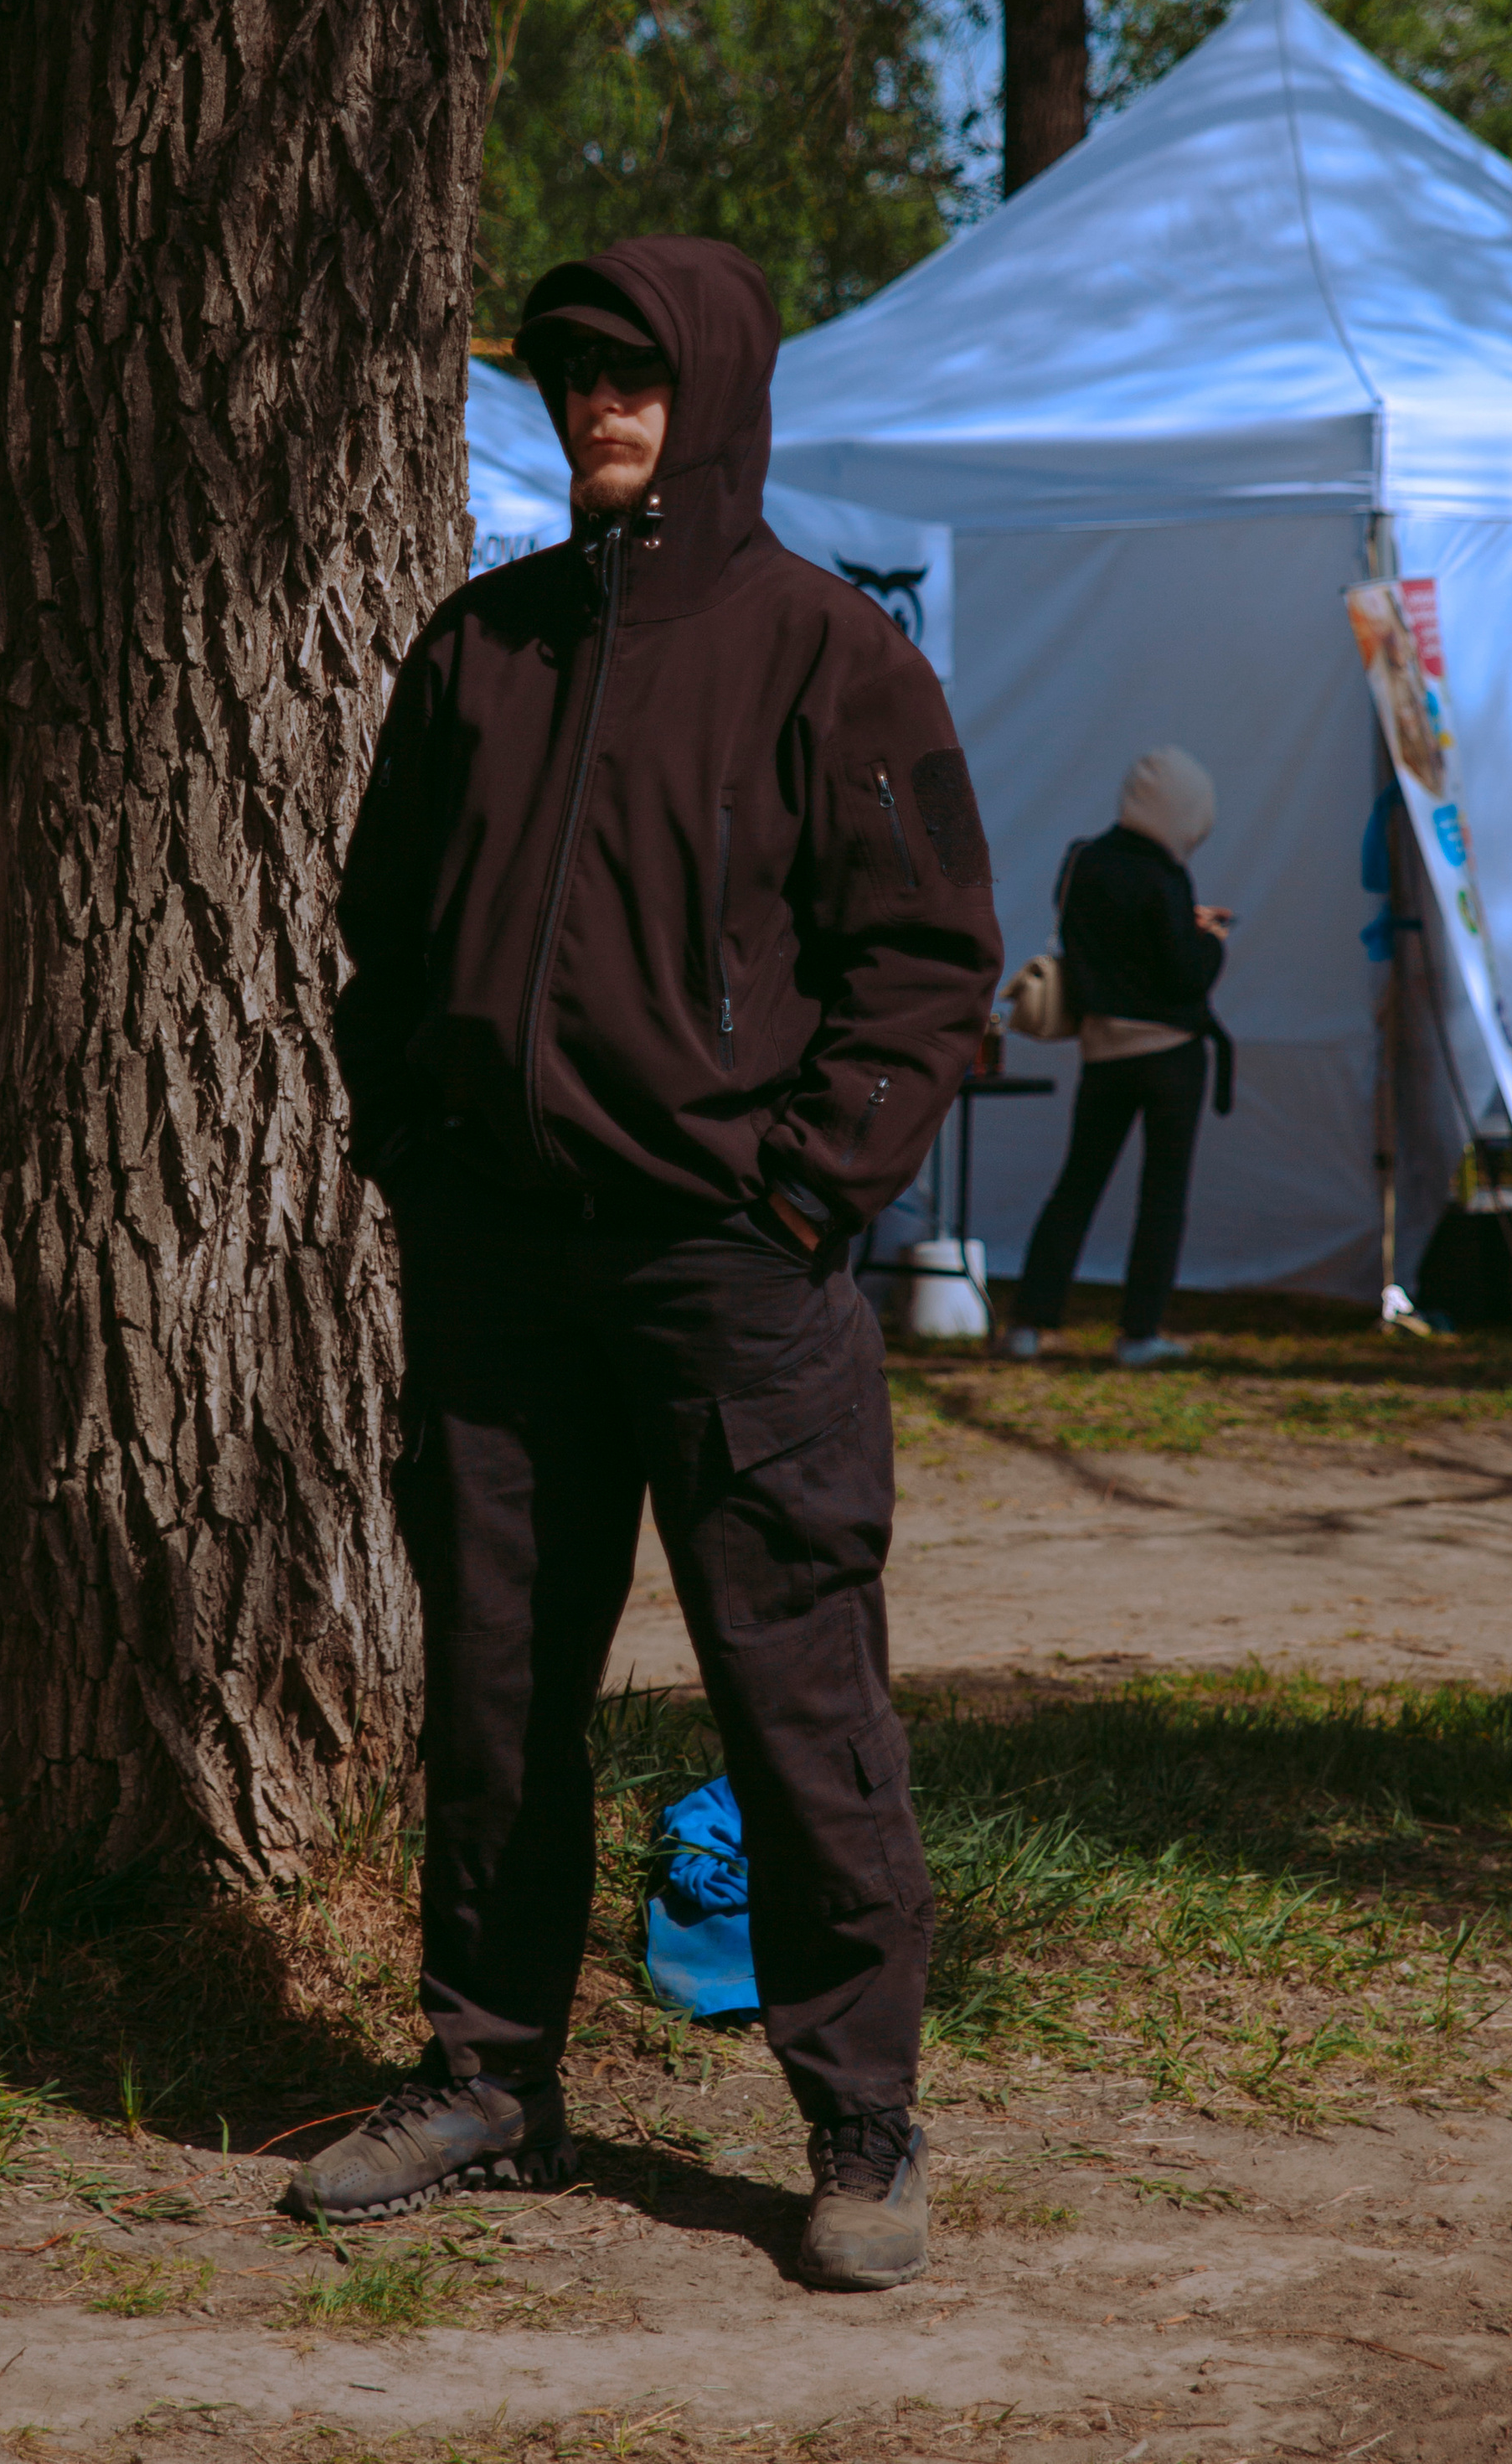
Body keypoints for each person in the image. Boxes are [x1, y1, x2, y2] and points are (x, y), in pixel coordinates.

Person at [292, 236, 1000, 2291]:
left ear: (716, 397)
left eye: (639, 379)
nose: (601, 409)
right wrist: (416, 1152)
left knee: (797, 1697)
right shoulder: (478, 648)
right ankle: (490, 2076)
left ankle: (858, 2118)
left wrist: (798, 1198)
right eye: (573, 380)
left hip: (731, 1279)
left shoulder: (828, 656)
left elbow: (926, 962)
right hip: (503, 1268)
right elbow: (381, 939)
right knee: (499, 1693)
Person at [1003, 747, 1233, 1368]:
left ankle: (1029, 1323)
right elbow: (1185, 977)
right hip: (1171, 1058)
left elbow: (1097, 939)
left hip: (1103, 1053)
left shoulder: (1084, 861)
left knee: (1077, 1185)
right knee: (1162, 1197)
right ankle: (1138, 1334)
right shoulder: (1167, 877)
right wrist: (1209, 940)